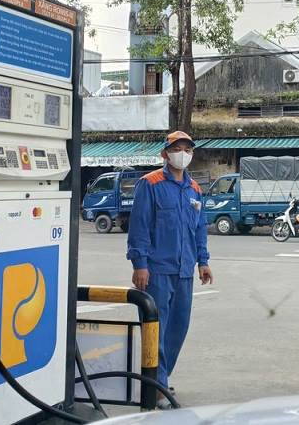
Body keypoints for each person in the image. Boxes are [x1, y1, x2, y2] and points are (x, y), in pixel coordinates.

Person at [126, 131, 213, 407]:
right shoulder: (149, 184)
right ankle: (158, 386)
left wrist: (203, 261)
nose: (183, 153)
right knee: (156, 329)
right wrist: (140, 264)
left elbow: (199, 229)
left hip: (185, 270)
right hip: (157, 271)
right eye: (177, 148)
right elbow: (139, 227)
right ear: (165, 153)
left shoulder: (195, 190)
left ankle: (160, 379)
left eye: (188, 148)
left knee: (178, 328)